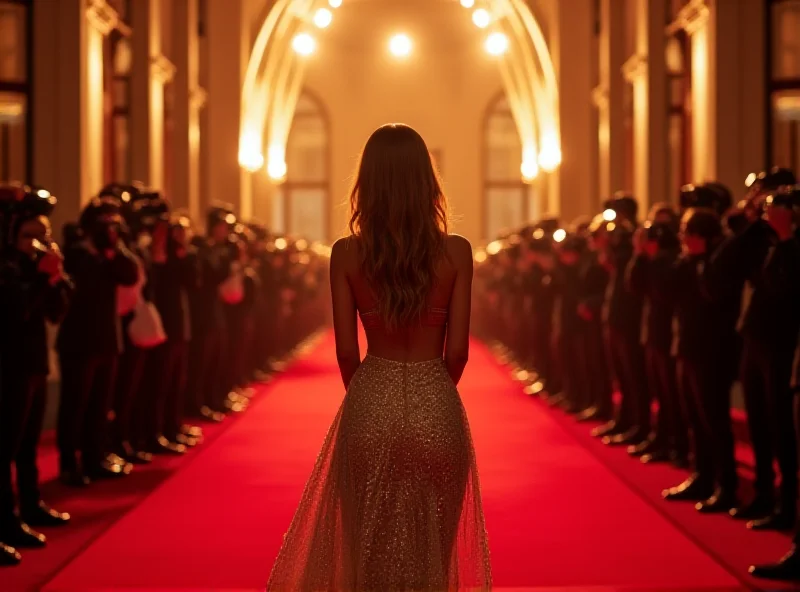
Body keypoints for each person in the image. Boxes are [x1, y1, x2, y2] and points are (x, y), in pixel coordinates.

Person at [266, 124, 492, 590]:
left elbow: (346, 349)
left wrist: (374, 390)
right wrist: (430, 389)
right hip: (436, 398)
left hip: (370, 398)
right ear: (427, 181)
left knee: (364, 548)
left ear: (366, 184)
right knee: (435, 551)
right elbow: (459, 351)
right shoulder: (456, 252)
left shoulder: (347, 255)